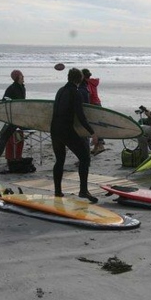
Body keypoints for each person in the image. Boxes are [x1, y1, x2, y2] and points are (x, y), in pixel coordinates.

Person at [51, 68, 99, 202]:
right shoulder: (76, 93)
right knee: (85, 158)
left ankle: (58, 192)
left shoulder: (60, 90)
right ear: (80, 79)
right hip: (66, 130)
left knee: (59, 160)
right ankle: (83, 191)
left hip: (54, 129)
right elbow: (81, 116)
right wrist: (92, 132)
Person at [4, 70, 26, 163]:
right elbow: (5, 101)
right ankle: (10, 157)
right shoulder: (12, 88)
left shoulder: (22, 87)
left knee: (20, 137)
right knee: (12, 137)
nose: (23, 77)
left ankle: (18, 156)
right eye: (21, 76)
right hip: (12, 117)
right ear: (17, 77)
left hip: (20, 116)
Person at [82, 68, 105, 156]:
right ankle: (96, 147)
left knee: (94, 126)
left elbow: (89, 93)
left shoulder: (87, 83)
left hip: (93, 105)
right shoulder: (92, 82)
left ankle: (100, 145)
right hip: (97, 103)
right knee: (96, 125)